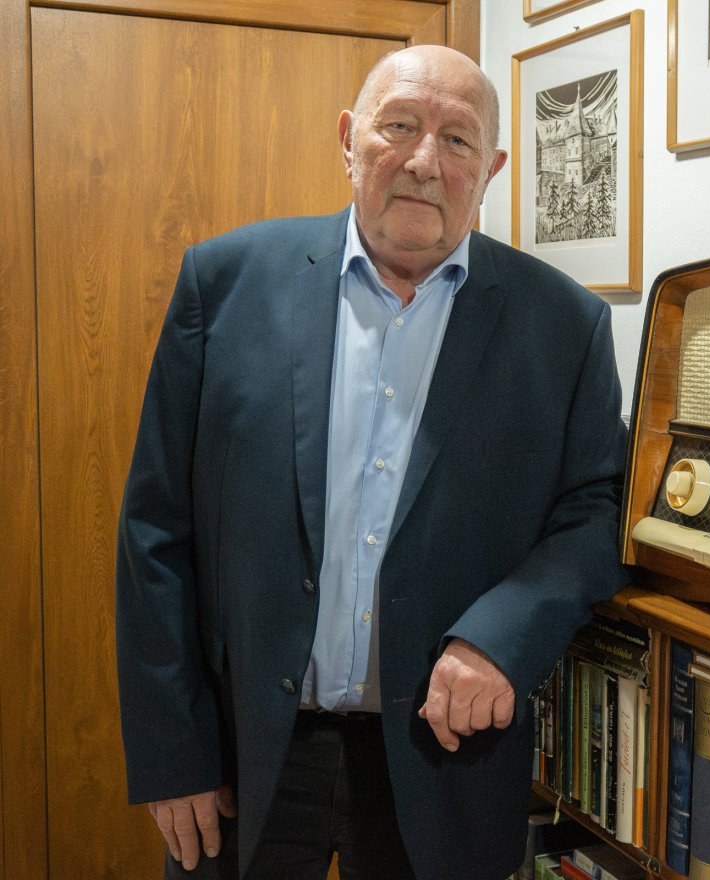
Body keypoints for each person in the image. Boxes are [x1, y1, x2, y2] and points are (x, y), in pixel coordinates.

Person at [116, 44, 630, 880]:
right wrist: (174, 751)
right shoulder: (224, 282)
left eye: (457, 140)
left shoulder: (566, 326)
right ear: (348, 140)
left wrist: (500, 638)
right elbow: (155, 529)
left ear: (492, 169)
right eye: (400, 126)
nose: (424, 161)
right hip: (243, 754)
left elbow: (595, 510)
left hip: (442, 760)